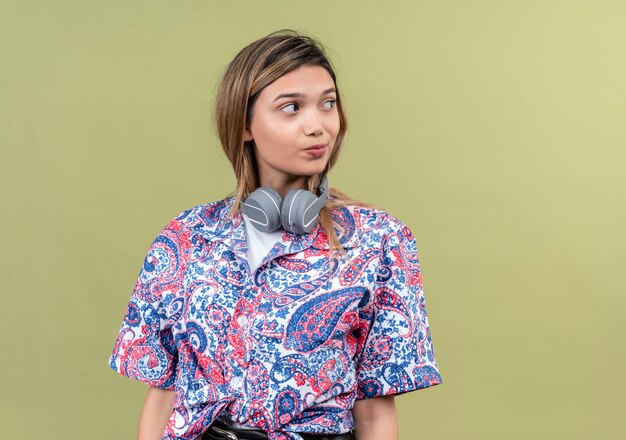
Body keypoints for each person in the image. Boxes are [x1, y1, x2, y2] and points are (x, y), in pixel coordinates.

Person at [108, 29, 442, 440]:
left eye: (328, 104)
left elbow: (375, 412)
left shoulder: (381, 242)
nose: (318, 125)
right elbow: (162, 396)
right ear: (245, 125)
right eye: (291, 107)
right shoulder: (186, 237)